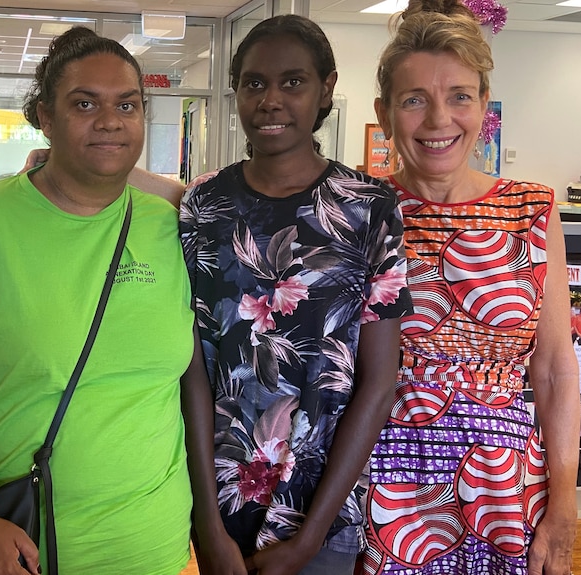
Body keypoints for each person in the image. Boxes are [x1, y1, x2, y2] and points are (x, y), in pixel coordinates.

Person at [0, 27, 195, 575]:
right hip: (18, 546)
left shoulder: (174, 231)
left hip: (153, 544)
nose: (111, 120)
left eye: (128, 105)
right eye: (84, 103)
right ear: (45, 116)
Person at [179, 14, 412, 575]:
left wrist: (308, 541)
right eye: (255, 84)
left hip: (322, 510)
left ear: (326, 88)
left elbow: (379, 384)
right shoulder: (203, 208)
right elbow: (190, 369)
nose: (271, 100)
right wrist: (207, 525)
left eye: (293, 82)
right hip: (221, 502)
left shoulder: (369, 208)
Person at [360, 1, 581, 574]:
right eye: (415, 100)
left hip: (507, 493)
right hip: (382, 489)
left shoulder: (533, 208)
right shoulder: (357, 209)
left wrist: (565, 505)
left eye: (460, 95)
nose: (439, 119)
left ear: (485, 104)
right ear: (384, 113)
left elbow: (556, 368)